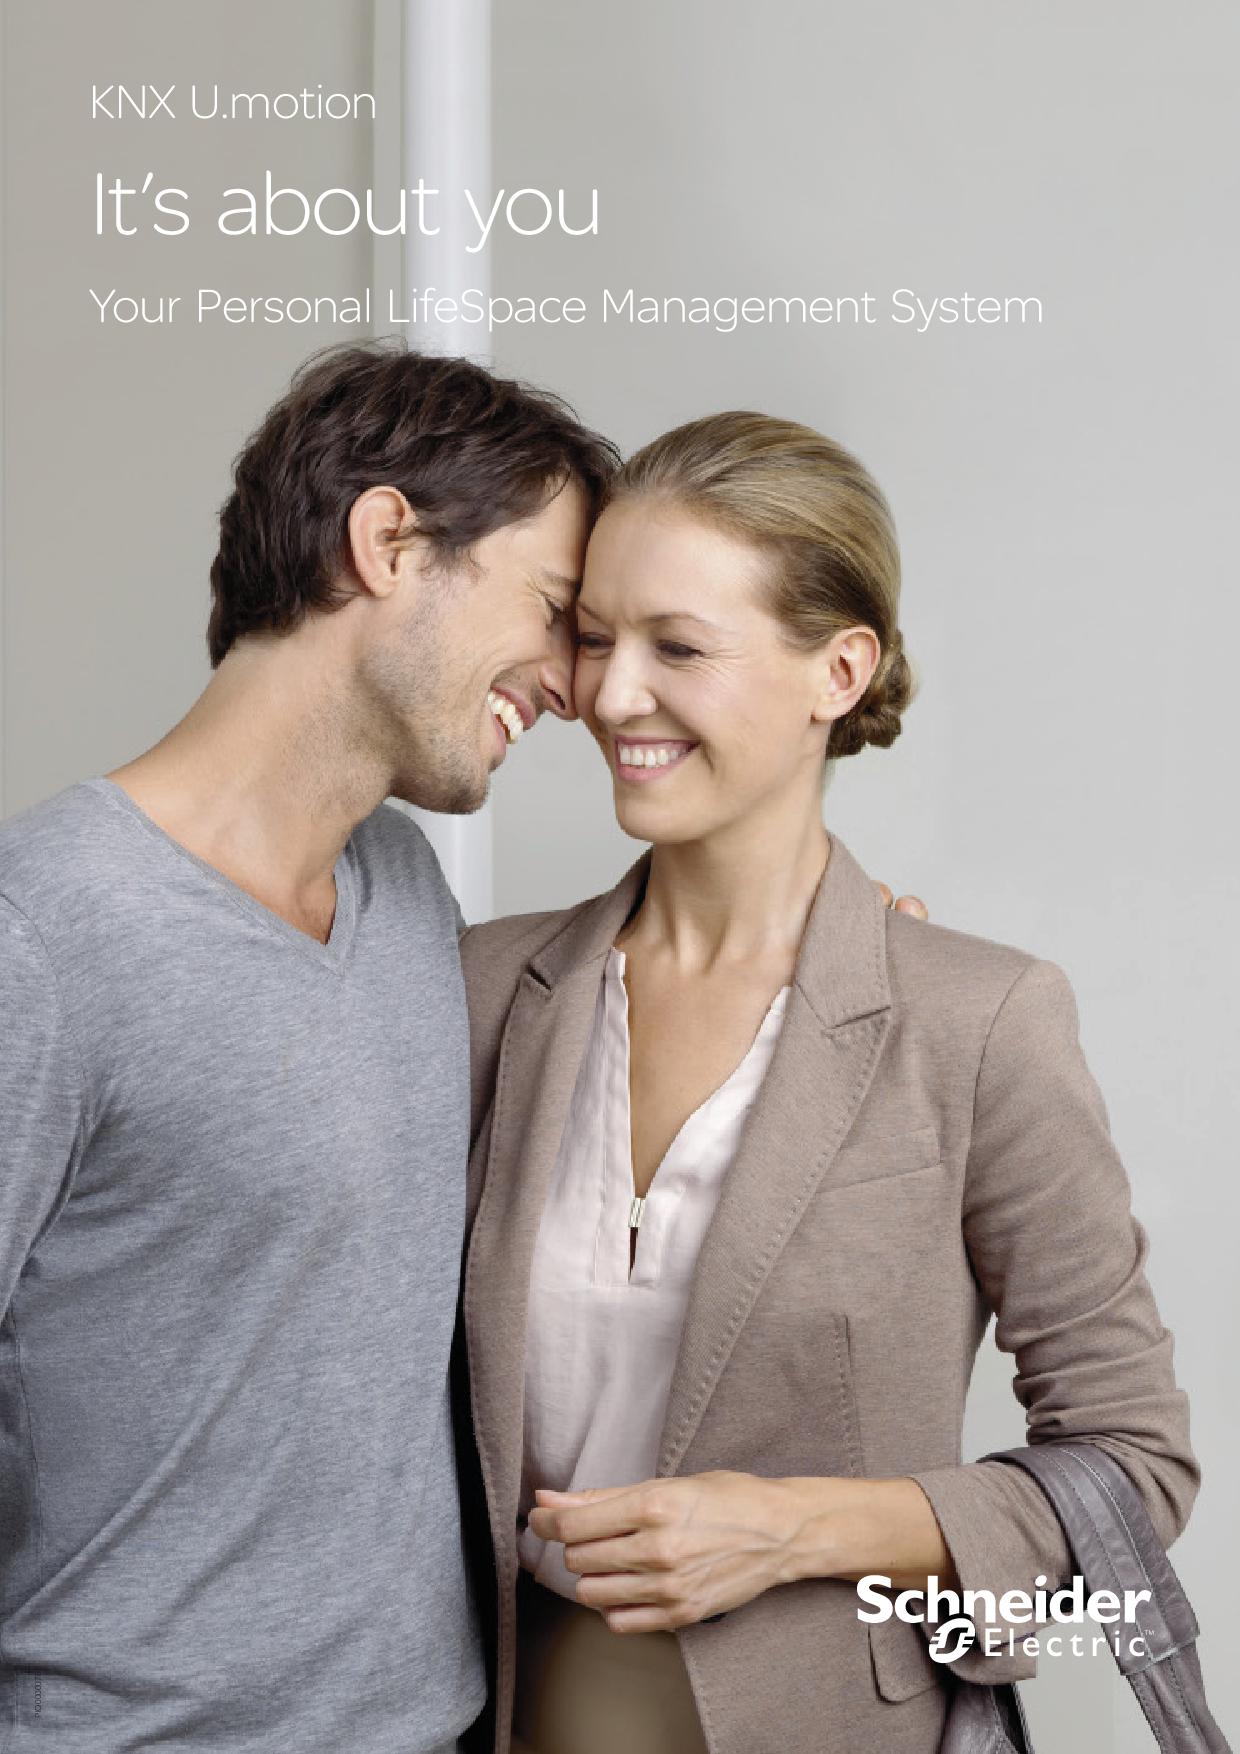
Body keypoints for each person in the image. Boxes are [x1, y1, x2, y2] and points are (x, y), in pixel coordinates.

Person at [457, 413, 1199, 1754]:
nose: (612, 695)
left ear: (838, 671)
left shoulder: (976, 1020)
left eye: (679, 648)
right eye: (597, 637)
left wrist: (796, 1528)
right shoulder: (482, 992)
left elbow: (1134, 1465)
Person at [0, 342, 619, 1754]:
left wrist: (815, 935)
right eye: (552, 609)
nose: (573, 686)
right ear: (388, 542)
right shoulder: (41, 934)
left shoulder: (403, 889)